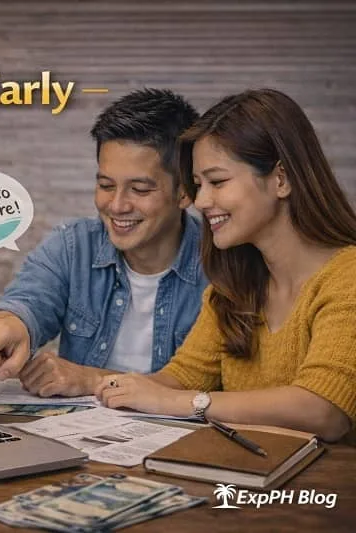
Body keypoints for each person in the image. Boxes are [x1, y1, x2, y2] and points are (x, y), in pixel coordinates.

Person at [94, 88, 356, 442]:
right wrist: (114, 387)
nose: (201, 201)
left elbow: (324, 411)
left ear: (281, 178)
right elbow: (183, 377)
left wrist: (184, 402)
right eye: (199, 185)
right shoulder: (233, 284)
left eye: (217, 182)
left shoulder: (347, 276)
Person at [0, 89, 207, 396]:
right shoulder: (73, 246)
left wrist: (91, 379)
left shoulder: (222, 264)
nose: (117, 206)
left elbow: (212, 386)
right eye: (105, 185)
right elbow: (28, 300)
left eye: (140, 190)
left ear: (184, 192)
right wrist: (8, 323)